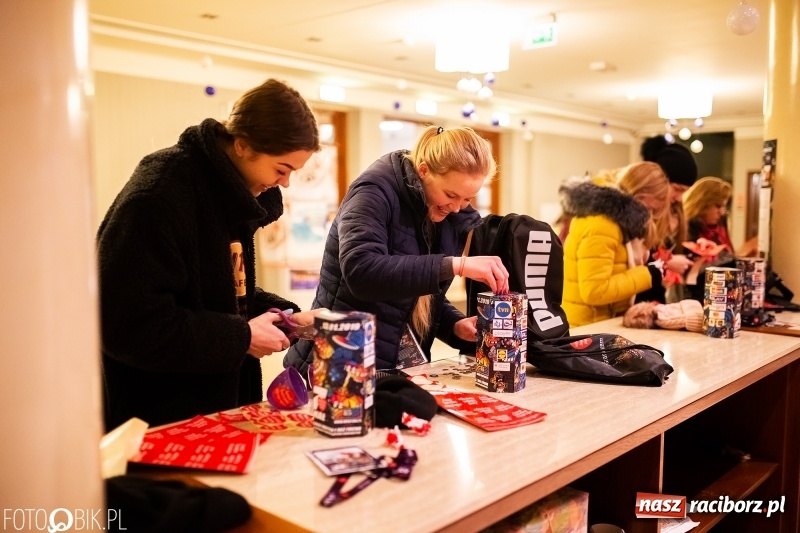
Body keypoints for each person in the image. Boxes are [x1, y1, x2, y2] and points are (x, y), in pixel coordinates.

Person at [97, 79, 321, 430]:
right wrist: (241, 338)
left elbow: (221, 296)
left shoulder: (231, 194)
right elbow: (126, 325)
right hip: (159, 419)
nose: (285, 184)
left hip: (217, 411)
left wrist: (290, 319)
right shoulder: (159, 195)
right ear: (243, 145)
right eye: (281, 170)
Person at [283, 125, 509, 377]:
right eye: (450, 195)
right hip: (338, 362)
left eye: (467, 199)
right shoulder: (373, 191)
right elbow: (362, 272)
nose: (456, 208)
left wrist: (454, 324)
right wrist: (457, 265)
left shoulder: (442, 213)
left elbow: (413, 294)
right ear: (423, 170)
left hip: (395, 367)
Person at [562, 162, 670, 326]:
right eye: (650, 209)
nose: (649, 216)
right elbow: (594, 291)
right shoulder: (602, 223)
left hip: (599, 323)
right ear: (640, 195)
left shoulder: (618, 221)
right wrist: (648, 274)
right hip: (587, 328)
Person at [641, 135, 699, 301]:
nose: (679, 198)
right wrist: (666, 263)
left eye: (684, 192)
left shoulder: (677, 213)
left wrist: (696, 250)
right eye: (677, 189)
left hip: (659, 299)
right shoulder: (641, 216)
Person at [681, 176, 735, 302]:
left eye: (723, 207)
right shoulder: (687, 229)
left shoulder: (718, 228)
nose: (721, 212)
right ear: (703, 204)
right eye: (718, 206)